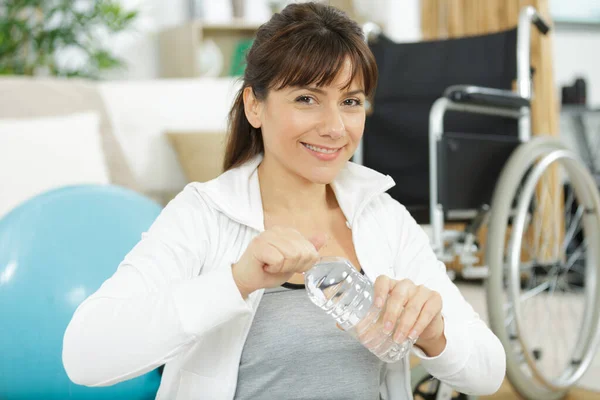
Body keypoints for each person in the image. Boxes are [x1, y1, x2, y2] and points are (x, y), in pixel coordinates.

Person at [62, 2, 506, 399]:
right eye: (307, 99)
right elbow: (84, 355)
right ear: (254, 105)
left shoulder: (383, 217)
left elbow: (488, 372)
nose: (335, 127)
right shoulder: (203, 215)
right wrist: (237, 281)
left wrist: (434, 334)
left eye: (351, 101)